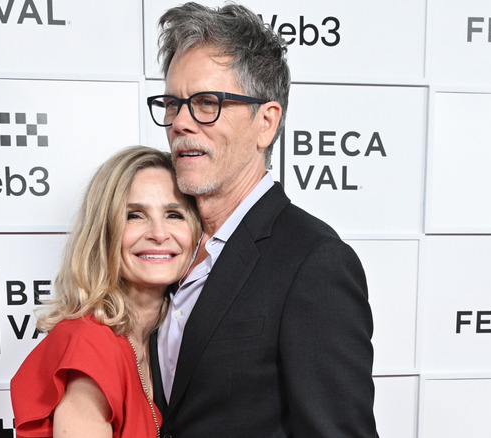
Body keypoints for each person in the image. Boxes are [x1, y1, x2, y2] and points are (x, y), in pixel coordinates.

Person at [146, 3, 378, 437]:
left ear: (266, 123)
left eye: (206, 103)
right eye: (173, 104)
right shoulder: (163, 246)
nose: (179, 123)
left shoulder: (314, 264)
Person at [10, 146, 201, 438]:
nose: (159, 233)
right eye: (134, 216)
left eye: (174, 214)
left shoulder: (161, 340)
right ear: (105, 233)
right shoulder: (91, 343)